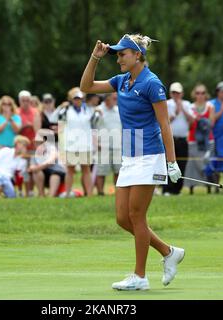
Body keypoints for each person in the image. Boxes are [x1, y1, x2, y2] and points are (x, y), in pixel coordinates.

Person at [80, 34, 183, 291]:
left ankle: (140, 276)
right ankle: (168, 252)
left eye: (122, 54)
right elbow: (86, 87)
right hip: (130, 156)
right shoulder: (122, 81)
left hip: (150, 156)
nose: (118, 59)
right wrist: (95, 57)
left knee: (137, 215)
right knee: (122, 218)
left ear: (137, 55)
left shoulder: (152, 83)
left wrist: (171, 162)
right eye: (116, 55)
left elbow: (164, 125)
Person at [58, 89, 95, 197]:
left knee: (86, 169)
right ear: (71, 100)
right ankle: (68, 193)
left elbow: (95, 123)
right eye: (75, 99)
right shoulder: (66, 110)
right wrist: (61, 107)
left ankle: (89, 194)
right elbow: (56, 119)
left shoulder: (88, 110)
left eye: (79, 99)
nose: (77, 101)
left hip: (85, 144)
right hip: (71, 145)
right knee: (70, 170)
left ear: (82, 99)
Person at [161, 82, 194, 195]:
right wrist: (176, 112)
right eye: (174, 93)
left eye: (178, 93)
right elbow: (164, 121)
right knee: (169, 164)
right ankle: (167, 189)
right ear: (170, 93)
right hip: (170, 140)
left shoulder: (187, 104)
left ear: (182, 93)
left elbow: (192, 120)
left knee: (181, 164)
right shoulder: (166, 104)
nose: (176, 95)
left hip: (183, 140)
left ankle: (177, 189)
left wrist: (182, 109)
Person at [184, 84, 215, 194]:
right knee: (192, 165)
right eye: (198, 93)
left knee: (206, 163)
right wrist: (193, 119)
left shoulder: (210, 106)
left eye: (202, 93)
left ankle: (209, 187)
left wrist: (201, 120)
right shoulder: (190, 107)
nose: (200, 95)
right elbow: (188, 125)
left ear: (205, 94)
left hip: (207, 141)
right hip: (193, 140)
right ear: (194, 94)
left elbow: (211, 123)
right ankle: (191, 188)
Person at [94, 92, 122, 195]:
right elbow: (92, 127)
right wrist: (96, 142)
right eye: (113, 98)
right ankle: (100, 192)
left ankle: (118, 192)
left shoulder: (118, 110)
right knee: (101, 171)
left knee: (118, 171)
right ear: (106, 99)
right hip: (103, 145)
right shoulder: (98, 110)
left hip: (117, 145)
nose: (116, 100)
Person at [28, 129, 66, 197]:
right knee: (37, 172)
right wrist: (34, 168)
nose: (37, 144)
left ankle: (51, 195)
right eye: (36, 142)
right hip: (44, 175)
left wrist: (37, 168)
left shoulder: (52, 149)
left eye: (39, 142)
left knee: (55, 175)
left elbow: (51, 161)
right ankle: (41, 194)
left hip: (58, 174)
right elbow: (32, 166)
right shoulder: (35, 154)